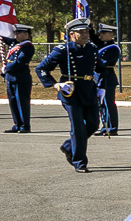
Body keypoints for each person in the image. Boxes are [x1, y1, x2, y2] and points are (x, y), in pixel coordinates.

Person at [36, 18, 99, 173]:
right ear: (71, 34)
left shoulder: (92, 48)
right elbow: (42, 68)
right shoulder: (63, 50)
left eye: (87, 32)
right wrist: (55, 84)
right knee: (78, 128)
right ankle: (79, 162)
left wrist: (102, 87)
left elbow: (100, 67)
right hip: (71, 92)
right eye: (81, 32)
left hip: (89, 91)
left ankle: (68, 146)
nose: (85, 35)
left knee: (93, 124)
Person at [1, 26, 34, 132]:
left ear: (26, 34)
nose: (16, 35)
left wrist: (6, 68)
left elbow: (20, 61)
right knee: (13, 102)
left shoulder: (27, 46)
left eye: (19, 33)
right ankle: (17, 124)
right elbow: (5, 38)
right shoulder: (14, 44)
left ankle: (25, 125)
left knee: (22, 102)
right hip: (11, 77)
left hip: (21, 78)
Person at [94, 25, 121, 135]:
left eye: (104, 34)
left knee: (108, 103)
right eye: (100, 33)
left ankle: (112, 127)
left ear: (111, 35)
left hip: (107, 77)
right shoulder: (101, 45)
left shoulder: (113, 48)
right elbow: (93, 38)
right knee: (101, 104)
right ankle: (105, 126)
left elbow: (104, 63)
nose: (100, 36)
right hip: (99, 77)